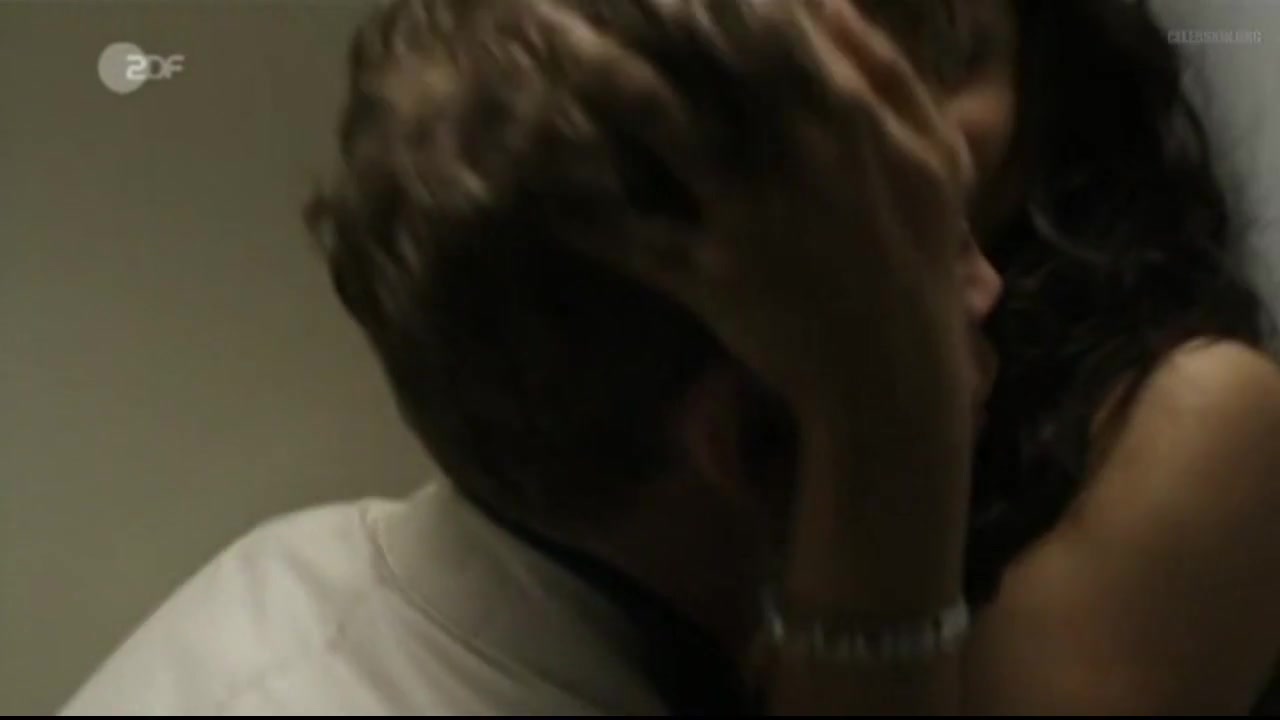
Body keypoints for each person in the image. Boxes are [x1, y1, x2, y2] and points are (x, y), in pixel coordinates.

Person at [61, 0, 1280, 715]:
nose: (989, 289)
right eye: (933, 270)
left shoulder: (306, 564)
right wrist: (894, 427)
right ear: (745, 447)